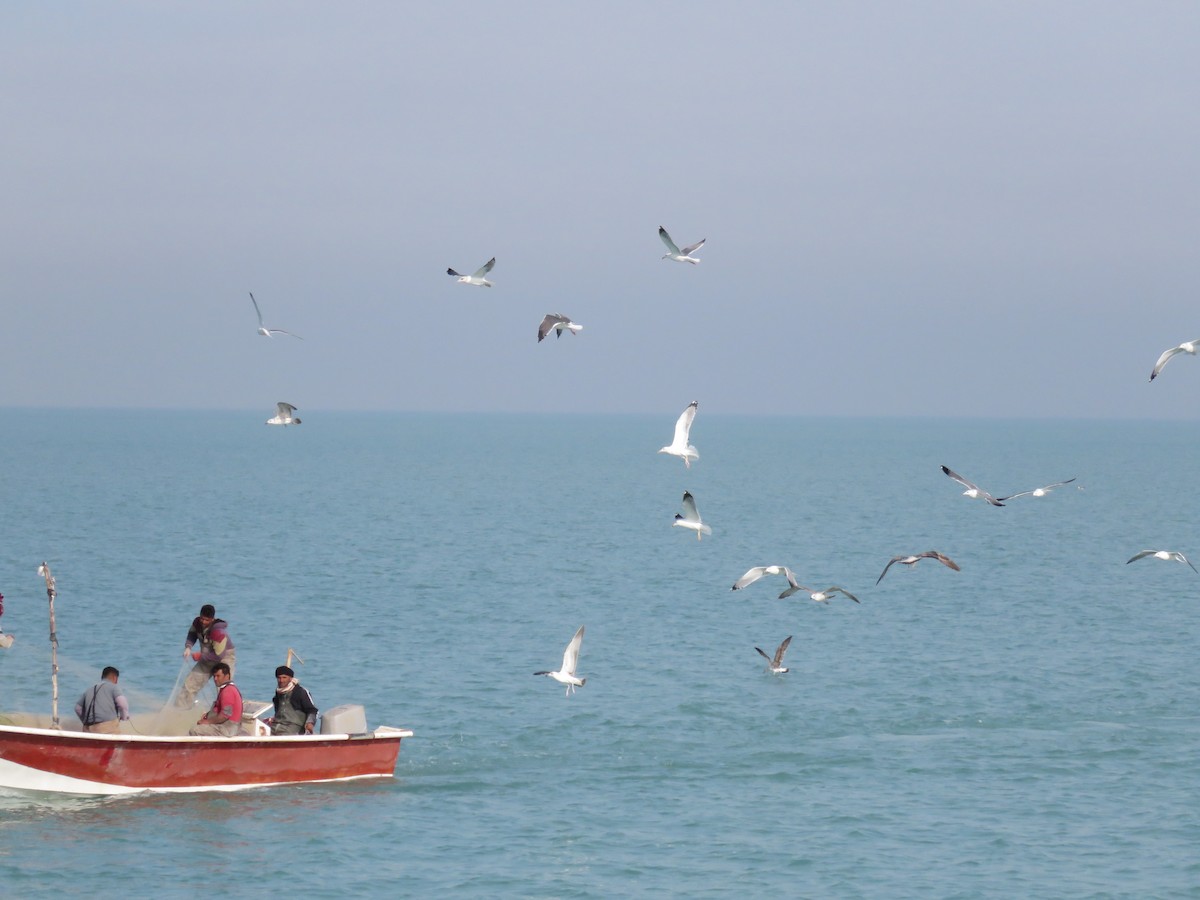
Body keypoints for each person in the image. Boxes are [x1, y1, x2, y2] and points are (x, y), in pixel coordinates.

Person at [176, 603, 236, 708]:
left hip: (223, 659)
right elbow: (192, 634)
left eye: (207, 620)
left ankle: (225, 714)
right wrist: (188, 647)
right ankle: (181, 709)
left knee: (223, 688)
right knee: (190, 685)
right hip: (207, 657)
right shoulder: (197, 623)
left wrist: (200, 656)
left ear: (212, 619)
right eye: (202, 619)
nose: (203, 622)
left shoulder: (218, 632)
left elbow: (218, 656)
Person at [189, 663, 243, 737]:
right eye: (214, 676)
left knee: (195, 730)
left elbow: (225, 715)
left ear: (226, 676)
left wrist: (207, 721)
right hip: (226, 726)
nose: (215, 679)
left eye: (218, 676)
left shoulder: (228, 691)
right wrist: (208, 715)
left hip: (228, 728)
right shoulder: (226, 688)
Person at [74, 666, 130, 733]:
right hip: (106, 728)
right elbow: (122, 704)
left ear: (102, 677)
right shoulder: (113, 687)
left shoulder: (89, 690)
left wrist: (85, 720)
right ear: (115, 678)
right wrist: (124, 716)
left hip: (88, 729)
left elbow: (77, 708)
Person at [267, 665, 319, 735]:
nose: (281, 680)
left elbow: (312, 710)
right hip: (276, 726)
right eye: (279, 678)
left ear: (290, 678)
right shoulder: (278, 693)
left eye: (284, 677)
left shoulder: (300, 692)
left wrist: (310, 723)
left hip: (293, 728)